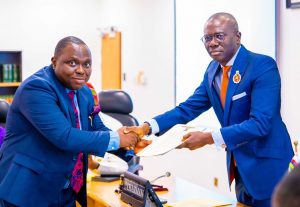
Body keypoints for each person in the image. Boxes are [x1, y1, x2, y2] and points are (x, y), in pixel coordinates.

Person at [126, 12, 294, 207]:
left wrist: (208, 138)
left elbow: (260, 124)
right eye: (207, 38)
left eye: (219, 36)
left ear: (237, 37)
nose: (212, 43)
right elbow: (186, 109)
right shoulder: (212, 70)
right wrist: (146, 128)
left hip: (269, 168)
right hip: (240, 170)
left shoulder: (261, 66)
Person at [0, 36, 140, 207]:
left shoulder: (85, 92)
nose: (81, 70)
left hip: (65, 189)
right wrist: (118, 139)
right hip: (29, 191)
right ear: (54, 61)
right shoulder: (36, 88)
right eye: (72, 63)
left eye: (87, 64)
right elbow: (64, 136)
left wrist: (131, 146)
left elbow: (96, 127)